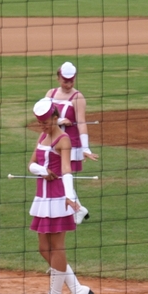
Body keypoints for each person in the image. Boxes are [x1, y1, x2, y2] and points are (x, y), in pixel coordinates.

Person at [27, 98, 93, 294]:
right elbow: (31, 164)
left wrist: (70, 196)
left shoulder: (63, 140)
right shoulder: (42, 136)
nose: (43, 126)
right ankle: (78, 289)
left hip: (57, 198)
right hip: (42, 197)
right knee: (43, 248)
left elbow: (66, 170)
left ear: (55, 118)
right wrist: (42, 171)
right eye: (40, 123)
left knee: (57, 247)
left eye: (46, 122)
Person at [45, 61, 98, 224]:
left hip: (69, 143)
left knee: (62, 176)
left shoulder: (78, 97)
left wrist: (86, 148)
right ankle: (78, 209)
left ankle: (77, 209)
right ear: (58, 78)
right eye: (65, 81)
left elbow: (81, 122)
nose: (68, 84)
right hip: (52, 142)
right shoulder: (51, 93)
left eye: (71, 81)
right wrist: (59, 120)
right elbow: (44, 115)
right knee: (58, 176)